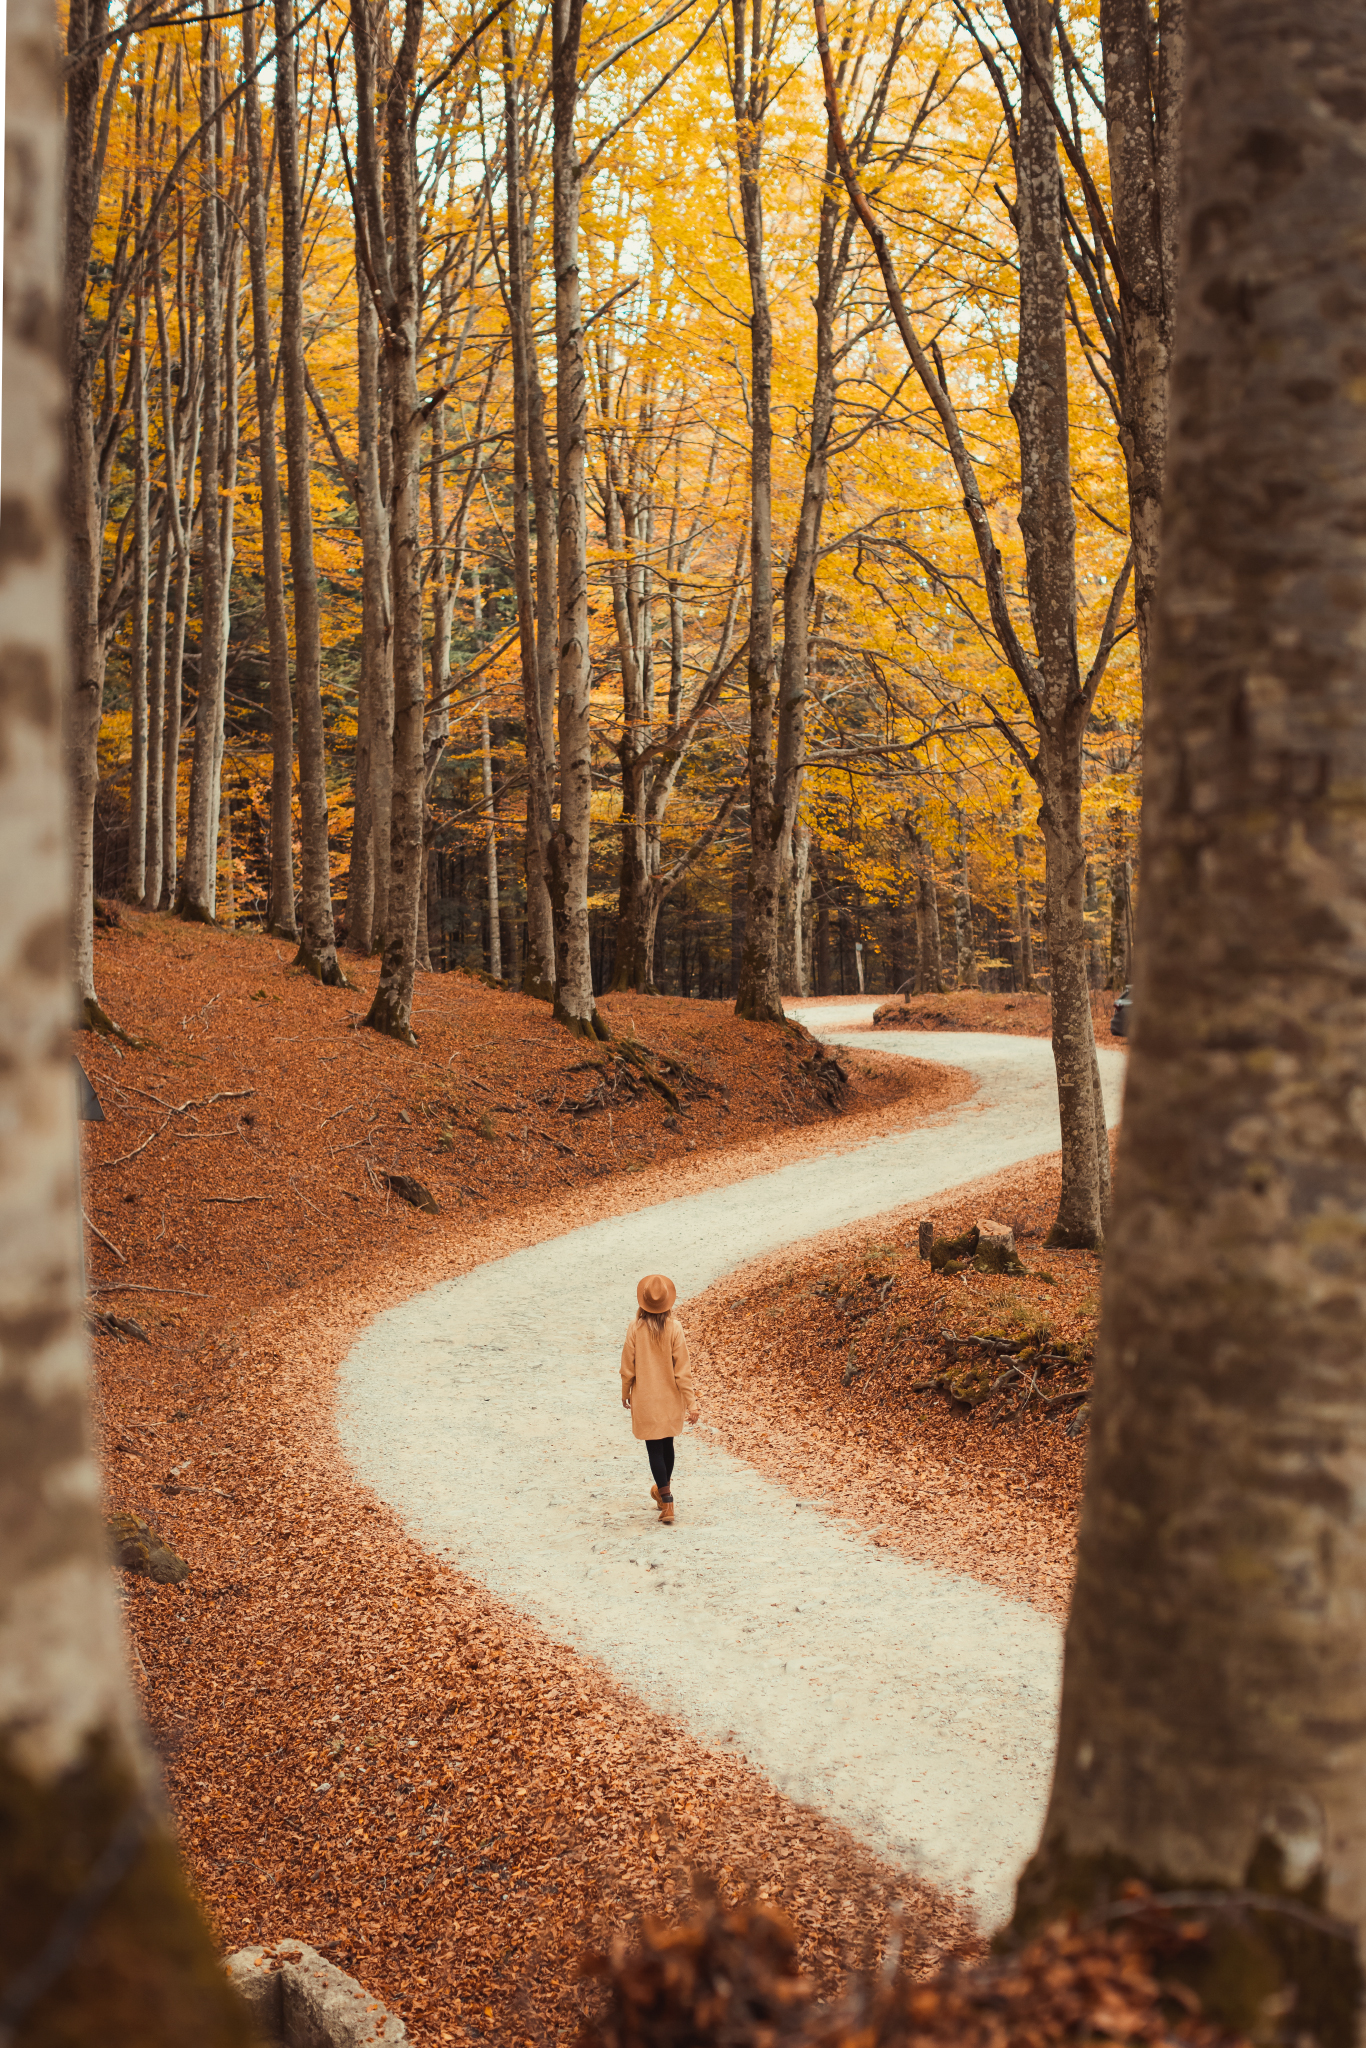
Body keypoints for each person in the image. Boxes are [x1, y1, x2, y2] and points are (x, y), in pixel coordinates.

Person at [620, 1273, 700, 1525]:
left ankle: (667, 1501)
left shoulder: (635, 1328)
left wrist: (625, 1391)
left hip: (645, 1398)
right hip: (670, 1399)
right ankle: (662, 1492)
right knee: (667, 1446)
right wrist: (691, 1402)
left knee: (654, 1448)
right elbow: (682, 1370)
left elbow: (627, 1367)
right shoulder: (675, 1328)